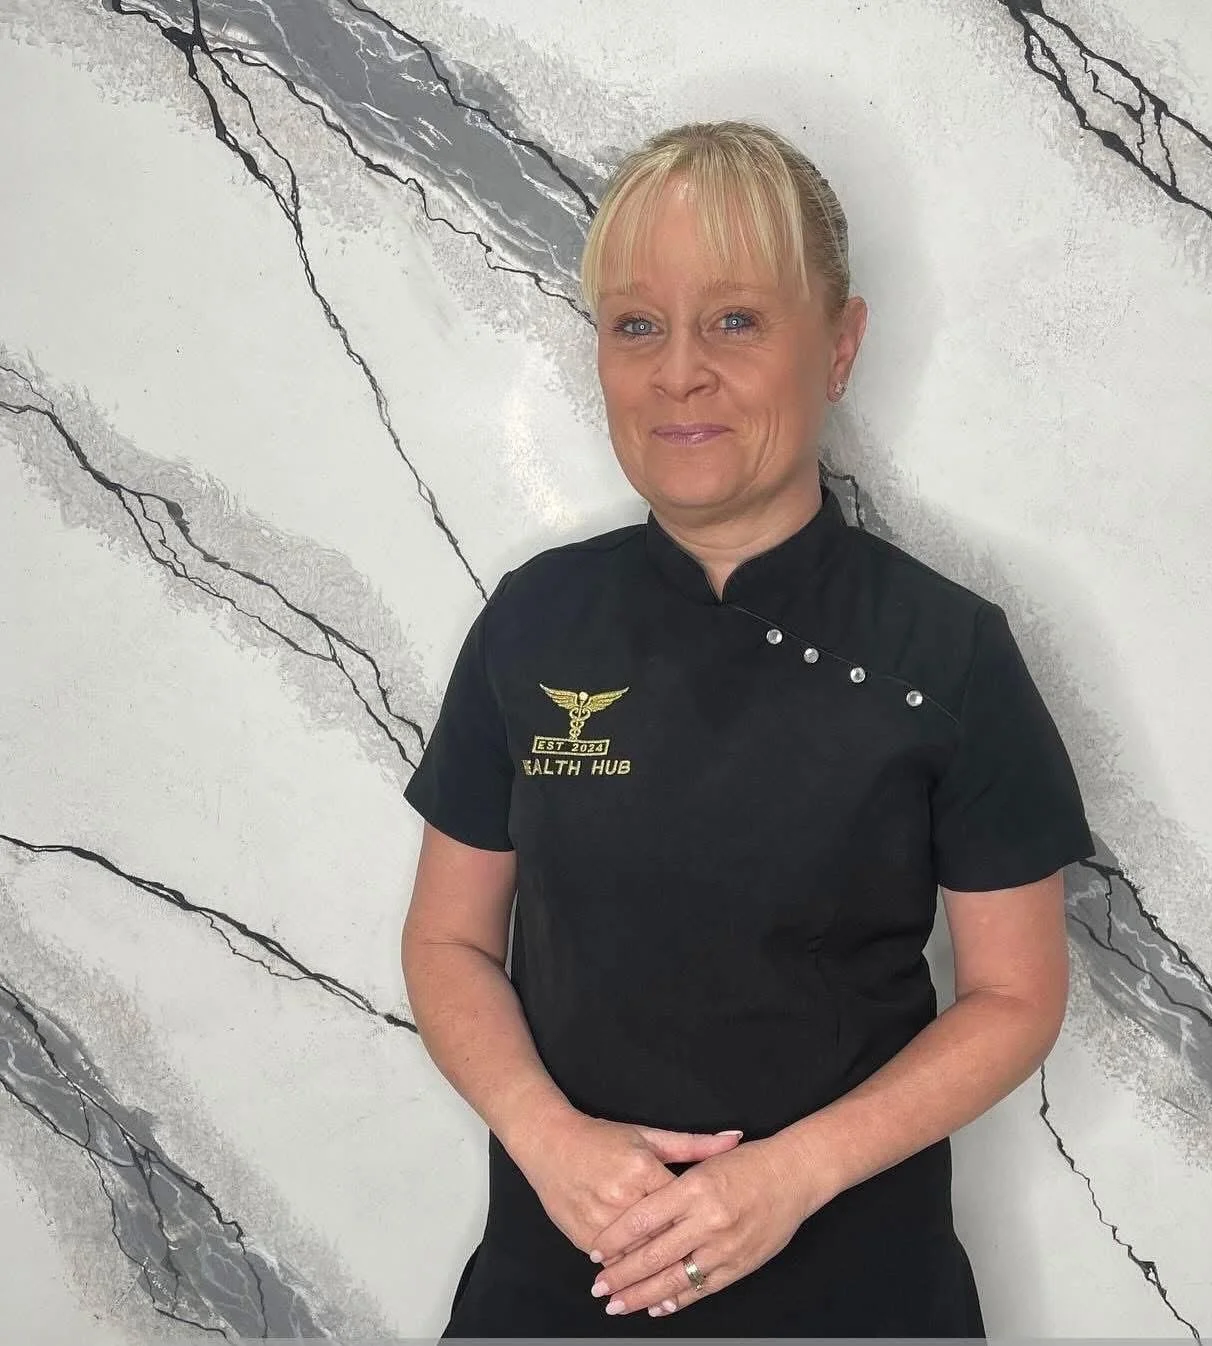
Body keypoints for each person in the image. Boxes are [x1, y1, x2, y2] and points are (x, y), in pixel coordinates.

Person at [400, 120, 1094, 1336]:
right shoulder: (533, 620)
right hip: (561, 1278)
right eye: (636, 325)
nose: (680, 372)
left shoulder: (948, 649)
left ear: (839, 346)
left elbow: (1015, 993)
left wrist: (788, 1175)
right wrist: (548, 1137)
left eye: (734, 320)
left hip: (856, 1289)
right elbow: (448, 938)